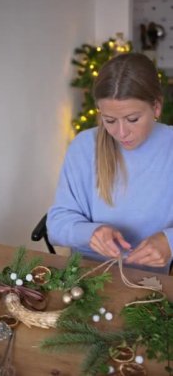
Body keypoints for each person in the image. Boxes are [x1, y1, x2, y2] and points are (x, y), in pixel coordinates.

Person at [47, 52, 173, 274]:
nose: (121, 133)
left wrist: (170, 242)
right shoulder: (84, 147)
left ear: (156, 107)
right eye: (110, 120)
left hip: (152, 280)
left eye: (133, 119)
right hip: (88, 274)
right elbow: (56, 225)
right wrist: (90, 233)